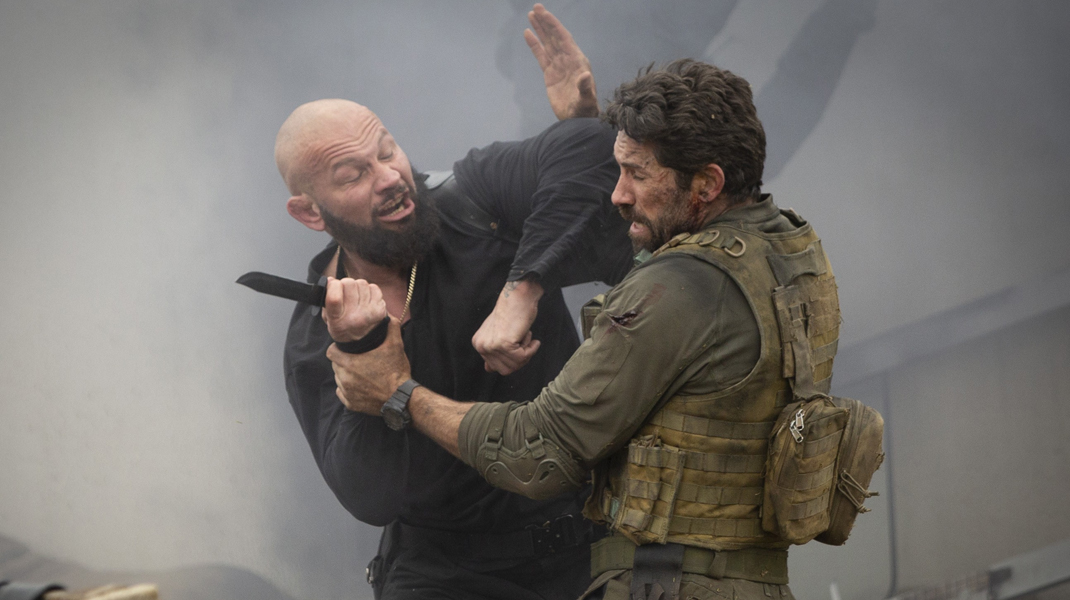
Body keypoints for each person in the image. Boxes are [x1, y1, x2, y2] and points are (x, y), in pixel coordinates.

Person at [328, 59, 842, 600]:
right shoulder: (788, 246)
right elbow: (633, 249)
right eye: (617, 171)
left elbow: (539, 453)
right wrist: (591, 137)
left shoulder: (677, 292)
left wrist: (399, 393)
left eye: (636, 174)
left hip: (679, 583)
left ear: (707, 184)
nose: (618, 194)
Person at [273, 6, 633, 599]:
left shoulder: (474, 202)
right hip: (446, 575)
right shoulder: (319, 333)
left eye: (387, 150)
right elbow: (370, 497)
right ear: (311, 212)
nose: (390, 177)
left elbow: (588, 147)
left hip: (590, 549)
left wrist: (523, 290)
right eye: (352, 174)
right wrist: (366, 353)